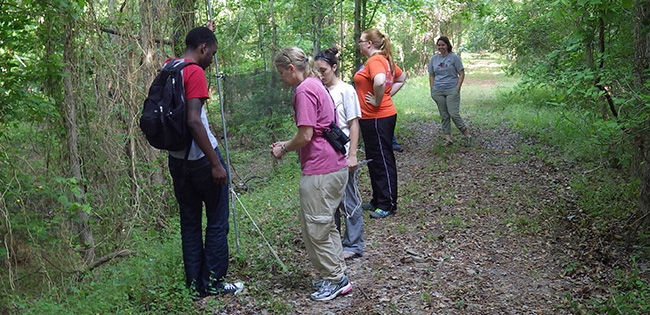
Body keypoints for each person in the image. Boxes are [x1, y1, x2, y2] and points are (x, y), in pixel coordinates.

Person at [166, 26, 243, 298]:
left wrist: (206, 31)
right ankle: (213, 283)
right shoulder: (195, 72)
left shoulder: (170, 67)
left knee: (189, 222)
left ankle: (193, 286)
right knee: (217, 220)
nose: (212, 59)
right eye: (212, 52)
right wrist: (215, 164)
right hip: (201, 159)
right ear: (202, 49)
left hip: (176, 160)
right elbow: (193, 120)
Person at [270, 46, 352, 301]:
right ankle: (337, 274)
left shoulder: (304, 90)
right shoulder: (317, 83)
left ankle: (335, 279)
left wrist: (283, 147)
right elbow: (315, 129)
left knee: (317, 228)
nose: (281, 79)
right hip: (335, 165)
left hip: (321, 170)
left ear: (292, 68)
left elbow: (306, 135)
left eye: (282, 73)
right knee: (326, 226)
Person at [315, 46, 364, 260]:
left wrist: (352, 154)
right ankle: (334, 243)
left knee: (349, 200)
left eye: (324, 70)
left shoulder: (346, 91)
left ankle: (354, 244)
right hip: (325, 157)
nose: (320, 75)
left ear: (334, 68)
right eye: (316, 70)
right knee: (330, 203)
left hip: (343, 153)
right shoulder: (318, 90)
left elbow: (354, 124)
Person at [354, 28, 406, 219]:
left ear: (369, 43)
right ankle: (378, 200)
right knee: (375, 159)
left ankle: (387, 204)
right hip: (371, 118)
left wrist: (378, 99)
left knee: (383, 160)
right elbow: (401, 77)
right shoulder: (381, 60)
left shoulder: (376, 60)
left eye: (361, 41)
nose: (359, 44)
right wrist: (386, 95)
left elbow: (380, 81)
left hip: (378, 117)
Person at [428, 36, 471, 146]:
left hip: (451, 89)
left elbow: (461, 73)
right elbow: (431, 75)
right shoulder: (434, 59)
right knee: (444, 115)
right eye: (439, 45)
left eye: (443, 45)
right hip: (438, 90)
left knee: (453, 113)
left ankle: (467, 135)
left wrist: (457, 88)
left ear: (447, 45)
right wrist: (432, 89)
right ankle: (448, 139)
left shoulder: (454, 57)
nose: (441, 47)